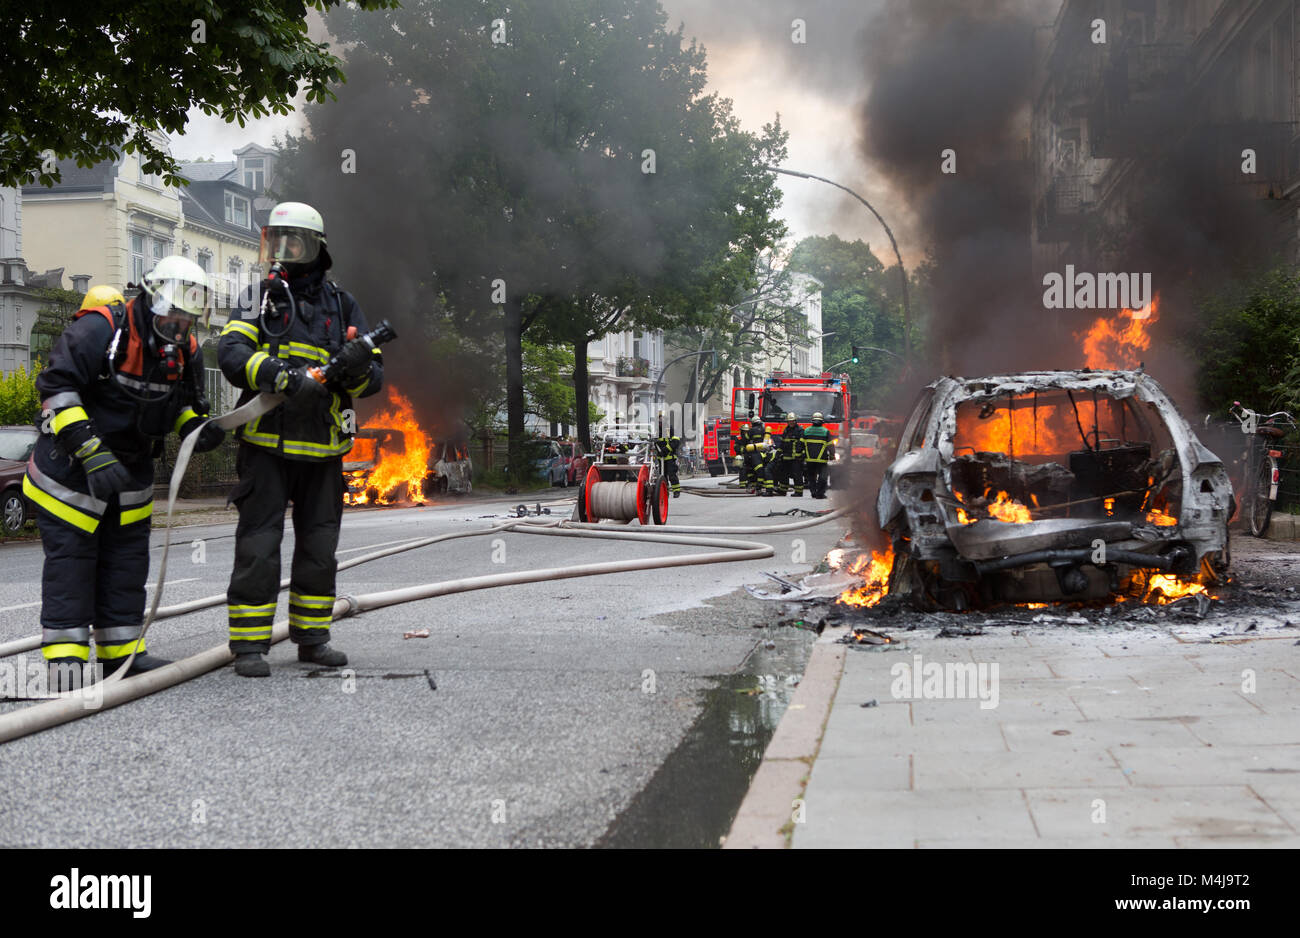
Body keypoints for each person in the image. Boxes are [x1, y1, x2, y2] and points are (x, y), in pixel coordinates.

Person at [25, 267, 224, 689]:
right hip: (72, 471)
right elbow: (57, 389)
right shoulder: (100, 330)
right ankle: (65, 664)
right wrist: (90, 450)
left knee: (127, 564)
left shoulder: (187, 349)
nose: (178, 328)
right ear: (150, 300)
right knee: (73, 565)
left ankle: (122, 653)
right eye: (172, 318)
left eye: (187, 321)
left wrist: (198, 431)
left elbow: (183, 408)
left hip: (131, 472)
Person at [218, 202, 384, 678]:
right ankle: (249, 647)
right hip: (266, 445)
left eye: (295, 242)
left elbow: (372, 381)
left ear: (317, 249)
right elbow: (231, 354)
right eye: (278, 241)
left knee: (318, 549)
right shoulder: (258, 298)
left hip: (324, 449)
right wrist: (283, 377)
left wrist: (353, 368)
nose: (284, 252)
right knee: (258, 547)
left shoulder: (342, 305)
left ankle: (312, 638)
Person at [802, 412, 836, 499]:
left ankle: (813, 491)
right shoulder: (825, 432)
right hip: (822, 460)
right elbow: (830, 445)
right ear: (822, 422)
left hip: (810, 459)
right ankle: (820, 493)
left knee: (811, 477)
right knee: (823, 477)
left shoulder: (806, 431)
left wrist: (801, 456)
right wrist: (832, 456)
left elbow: (801, 444)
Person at [778, 412, 805, 497]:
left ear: (795, 421)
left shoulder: (800, 430)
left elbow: (802, 443)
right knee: (784, 474)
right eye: (789, 421)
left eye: (792, 421)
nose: (791, 423)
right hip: (786, 456)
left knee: (797, 474)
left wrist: (799, 454)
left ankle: (799, 491)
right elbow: (782, 442)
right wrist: (779, 452)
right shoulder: (786, 430)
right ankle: (782, 490)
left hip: (795, 457)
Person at [655, 430, 682, 497]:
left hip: (670, 458)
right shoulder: (657, 431)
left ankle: (676, 491)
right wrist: (659, 451)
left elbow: (676, 442)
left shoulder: (670, 430)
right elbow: (655, 443)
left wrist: (665, 450)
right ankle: (665, 492)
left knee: (672, 475)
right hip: (661, 459)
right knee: (662, 476)